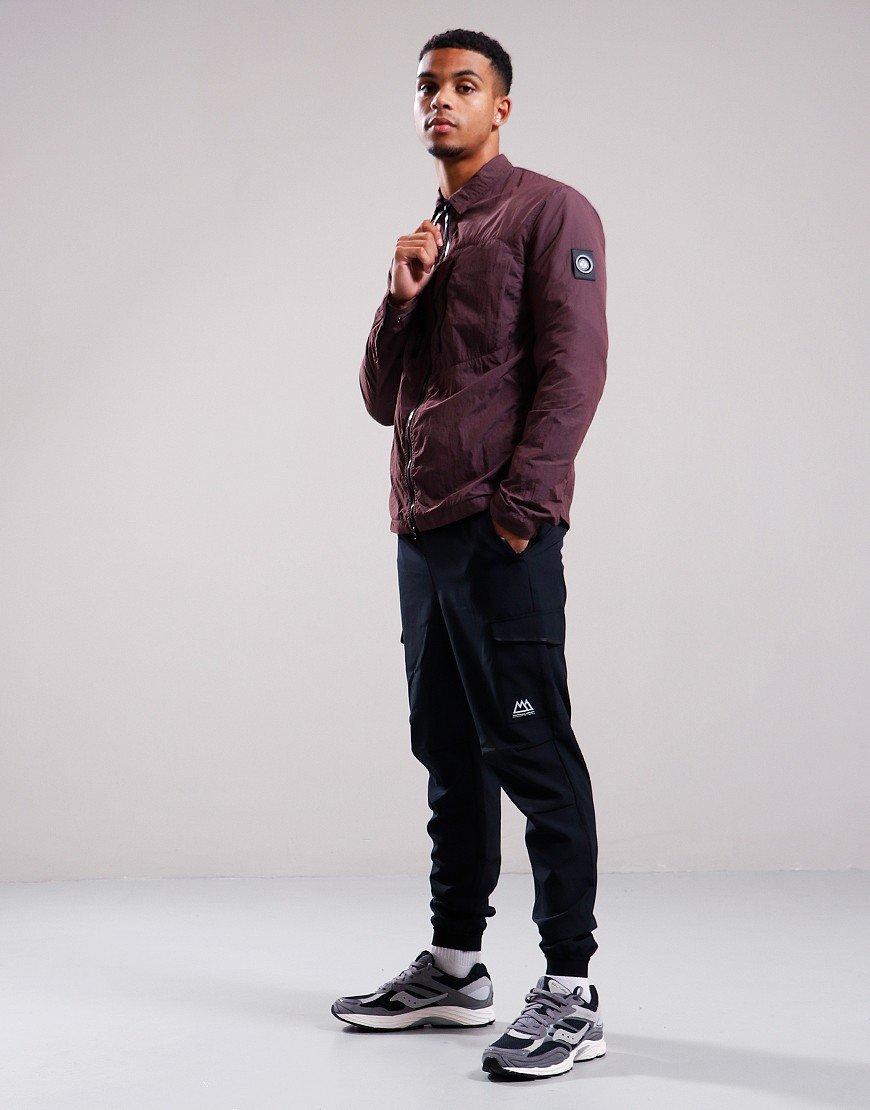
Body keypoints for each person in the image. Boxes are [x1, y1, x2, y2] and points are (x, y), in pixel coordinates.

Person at [331, 28, 609, 1081]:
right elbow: (379, 399)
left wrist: (520, 511)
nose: (440, 101)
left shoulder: (551, 213)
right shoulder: (431, 235)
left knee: (532, 752)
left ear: (502, 106)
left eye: (464, 86)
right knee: (448, 751)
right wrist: (399, 295)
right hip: (422, 533)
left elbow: (575, 372)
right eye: (427, 87)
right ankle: (455, 969)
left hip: (501, 535)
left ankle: (572, 991)